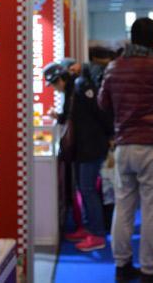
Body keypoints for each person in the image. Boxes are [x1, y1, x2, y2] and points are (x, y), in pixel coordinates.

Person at [99, 17, 153, 283]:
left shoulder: (113, 66)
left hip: (124, 144)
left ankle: (122, 266)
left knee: (123, 207)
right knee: (152, 211)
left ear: (131, 37)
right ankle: (149, 270)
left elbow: (103, 103)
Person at [46, 60, 112, 253]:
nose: (54, 89)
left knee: (88, 189)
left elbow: (100, 113)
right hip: (82, 147)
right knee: (83, 189)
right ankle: (87, 228)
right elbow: (72, 116)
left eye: (53, 85)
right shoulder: (73, 89)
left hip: (90, 146)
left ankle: (97, 234)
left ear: (60, 79)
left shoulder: (81, 87)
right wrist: (59, 117)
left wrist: (110, 135)